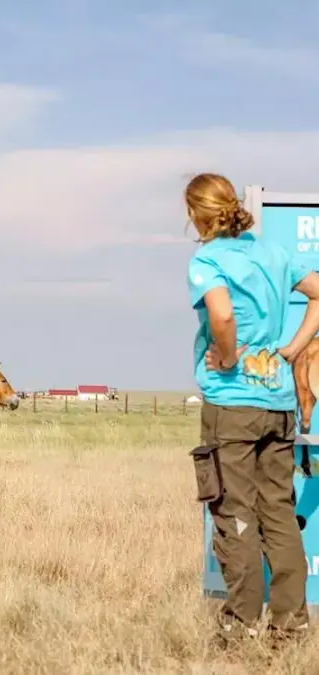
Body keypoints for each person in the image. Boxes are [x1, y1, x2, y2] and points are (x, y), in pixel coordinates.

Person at [186, 172, 319, 646]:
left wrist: (225, 353)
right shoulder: (274, 253)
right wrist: (292, 350)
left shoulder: (208, 259)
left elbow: (221, 314)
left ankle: (238, 626)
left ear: (196, 215)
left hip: (232, 405)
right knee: (279, 513)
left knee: (234, 513)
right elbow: (318, 291)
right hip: (278, 403)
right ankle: (290, 625)